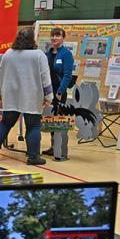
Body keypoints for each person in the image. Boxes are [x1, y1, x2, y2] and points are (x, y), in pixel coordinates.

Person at [0, 27, 52, 165]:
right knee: (33, 126)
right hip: (32, 96)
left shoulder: (8, 54)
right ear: (32, 39)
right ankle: (33, 157)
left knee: (5, 123)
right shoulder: (39, 55)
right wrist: (48, 96)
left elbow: (0, 75)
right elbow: (45, 77)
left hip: (11, 95)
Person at [42, 27, 75, 161]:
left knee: (58, 120)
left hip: (59, 92)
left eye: (58, 35)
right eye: (53, 35)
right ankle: (53, 146)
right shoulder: (47, 54)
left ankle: (60, 150)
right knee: (50, 119)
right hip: (48, 91)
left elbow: (67, 76)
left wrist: (60, 92)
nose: (55, 38)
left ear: (63, 38)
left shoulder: (66, 54)